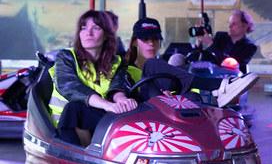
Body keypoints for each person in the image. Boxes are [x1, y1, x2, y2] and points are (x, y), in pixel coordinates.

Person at [126, 17, 257, 106]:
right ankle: (218, 86)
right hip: (139, 111)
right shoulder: (125, 68)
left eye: (155, 39)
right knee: (153, 64)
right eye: (145, 39)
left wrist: (163, 94)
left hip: (164, 113)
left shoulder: (162, 65)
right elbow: (121, 93)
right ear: (134, 42)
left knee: (191, 96)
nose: (151, 43)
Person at [52, 10, 136, 146]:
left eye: (96, 28)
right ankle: (75, 156)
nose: (88, 33)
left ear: (106, 35)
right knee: (74, 108)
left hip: (97, 116)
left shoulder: (116, 62)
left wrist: (123, 101)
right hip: (65, 120)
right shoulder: (66, 57)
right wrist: (107, 105)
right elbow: (71, 87)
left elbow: (117, 87)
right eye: (83, 28)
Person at [193, 10, 259, 74]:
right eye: (229, 23)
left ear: (245, 26)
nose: (229, 26)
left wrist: (210, 44)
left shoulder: (250, 47)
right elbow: (206, 57)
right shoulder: (220, 36)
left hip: (232, 79)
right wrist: (199, 42)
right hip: (211, 76)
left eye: (234, 24)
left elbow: (231, 64)